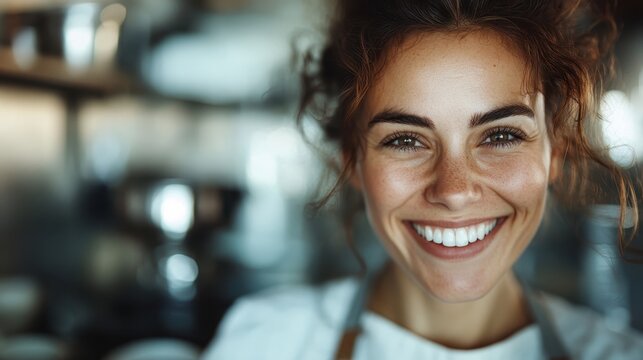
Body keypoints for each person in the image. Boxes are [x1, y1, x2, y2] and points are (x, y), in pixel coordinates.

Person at [203, 0, 643, 359]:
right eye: (405, 141)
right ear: (352, 161)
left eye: (501, 135)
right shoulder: (264, 342)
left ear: (555, 153)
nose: (453, 191)